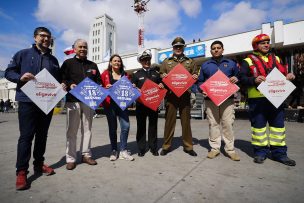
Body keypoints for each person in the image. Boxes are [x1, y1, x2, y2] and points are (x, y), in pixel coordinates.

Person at [5, 27, 62, 190]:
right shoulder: (22, 54)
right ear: (35, 37)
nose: (45, 39)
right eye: (42, 36)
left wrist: (61, 86)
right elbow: (9, 72)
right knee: (26, 136)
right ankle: (21, 171)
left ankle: (39, 164)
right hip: (27, 101)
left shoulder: (54, 60)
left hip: (46, 102)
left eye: (48, 37)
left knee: (42, 135)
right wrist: (19, 77)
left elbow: (57, 81)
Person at [239, 34, 296, 166]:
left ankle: (280, 154)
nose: (266, 45)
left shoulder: (276, 58)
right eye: (262, 43)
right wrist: (253, 79)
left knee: (278, 128)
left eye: (267, 42)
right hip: (257, 101)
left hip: (276, 98)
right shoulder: (247, 61)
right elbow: (241, 78)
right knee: (258, 128)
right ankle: (260, 152)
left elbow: (282, 75)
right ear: (255, 46)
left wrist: (289, 76)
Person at [61, 39, 101, 170]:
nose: (83, 49)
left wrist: (99, 87)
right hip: (73, 100)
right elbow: (61, 78)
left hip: (89, 101)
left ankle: (86, 154)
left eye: (85, 47)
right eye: (80, 47)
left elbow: (98, 81)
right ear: (74, 48)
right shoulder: (68, 63)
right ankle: (71, 158)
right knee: (71, 131)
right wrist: (68, 84)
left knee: (87, 129)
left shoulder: (93, 65)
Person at [197, 40, 240, 161]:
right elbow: (200, 82)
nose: (216, 50)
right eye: (214, 48)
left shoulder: (231, 63)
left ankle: (230, 150)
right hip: (210, 100)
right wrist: (202, 90)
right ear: (211, 51)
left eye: (218, 48)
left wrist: (236, 78)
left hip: (227, 99)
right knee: (213, 124)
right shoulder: (205, 65)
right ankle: (215, 149)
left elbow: (239, 77)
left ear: (222, 49)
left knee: (227, 124)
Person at [159, 37, 199, 156]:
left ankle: (188, 146)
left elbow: (195, 74)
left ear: (183, 47)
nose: (178, 48)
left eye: (180, 46)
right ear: (173, 48)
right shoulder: (167, 62)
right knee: (169, 121)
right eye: (176, 46)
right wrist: (163, 75)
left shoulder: (190, 61)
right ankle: (166, 146)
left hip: (185, 95)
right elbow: (161, 74)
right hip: (171, 95)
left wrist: (195, 77)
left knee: (186, 121)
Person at [100, 54, 134, 161]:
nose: (117, 62)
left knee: (126, 126)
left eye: (119, 61)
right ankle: (114, 150)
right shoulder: (105, 74)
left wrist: (132, 86)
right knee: (112, 128)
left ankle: (123, 150)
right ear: (110, 62)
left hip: (122, 105)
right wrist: (105, 88)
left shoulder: (126, 75)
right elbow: (99, 87)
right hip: (110, 105)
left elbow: (129, 89)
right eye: (114, 61)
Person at [131, 49, 164, 157]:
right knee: (141, 127)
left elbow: (161, 85)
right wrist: (135, 88)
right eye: (144, 60)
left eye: (148, 59)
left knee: (153, 126)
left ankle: (153, 148)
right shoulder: (136, 74)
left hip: (153, 104)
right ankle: (141, 148)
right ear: (140, 61)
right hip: (141, 105)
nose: (146, 61)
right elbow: (132, 89)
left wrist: (161, 85)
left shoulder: (156, 73)